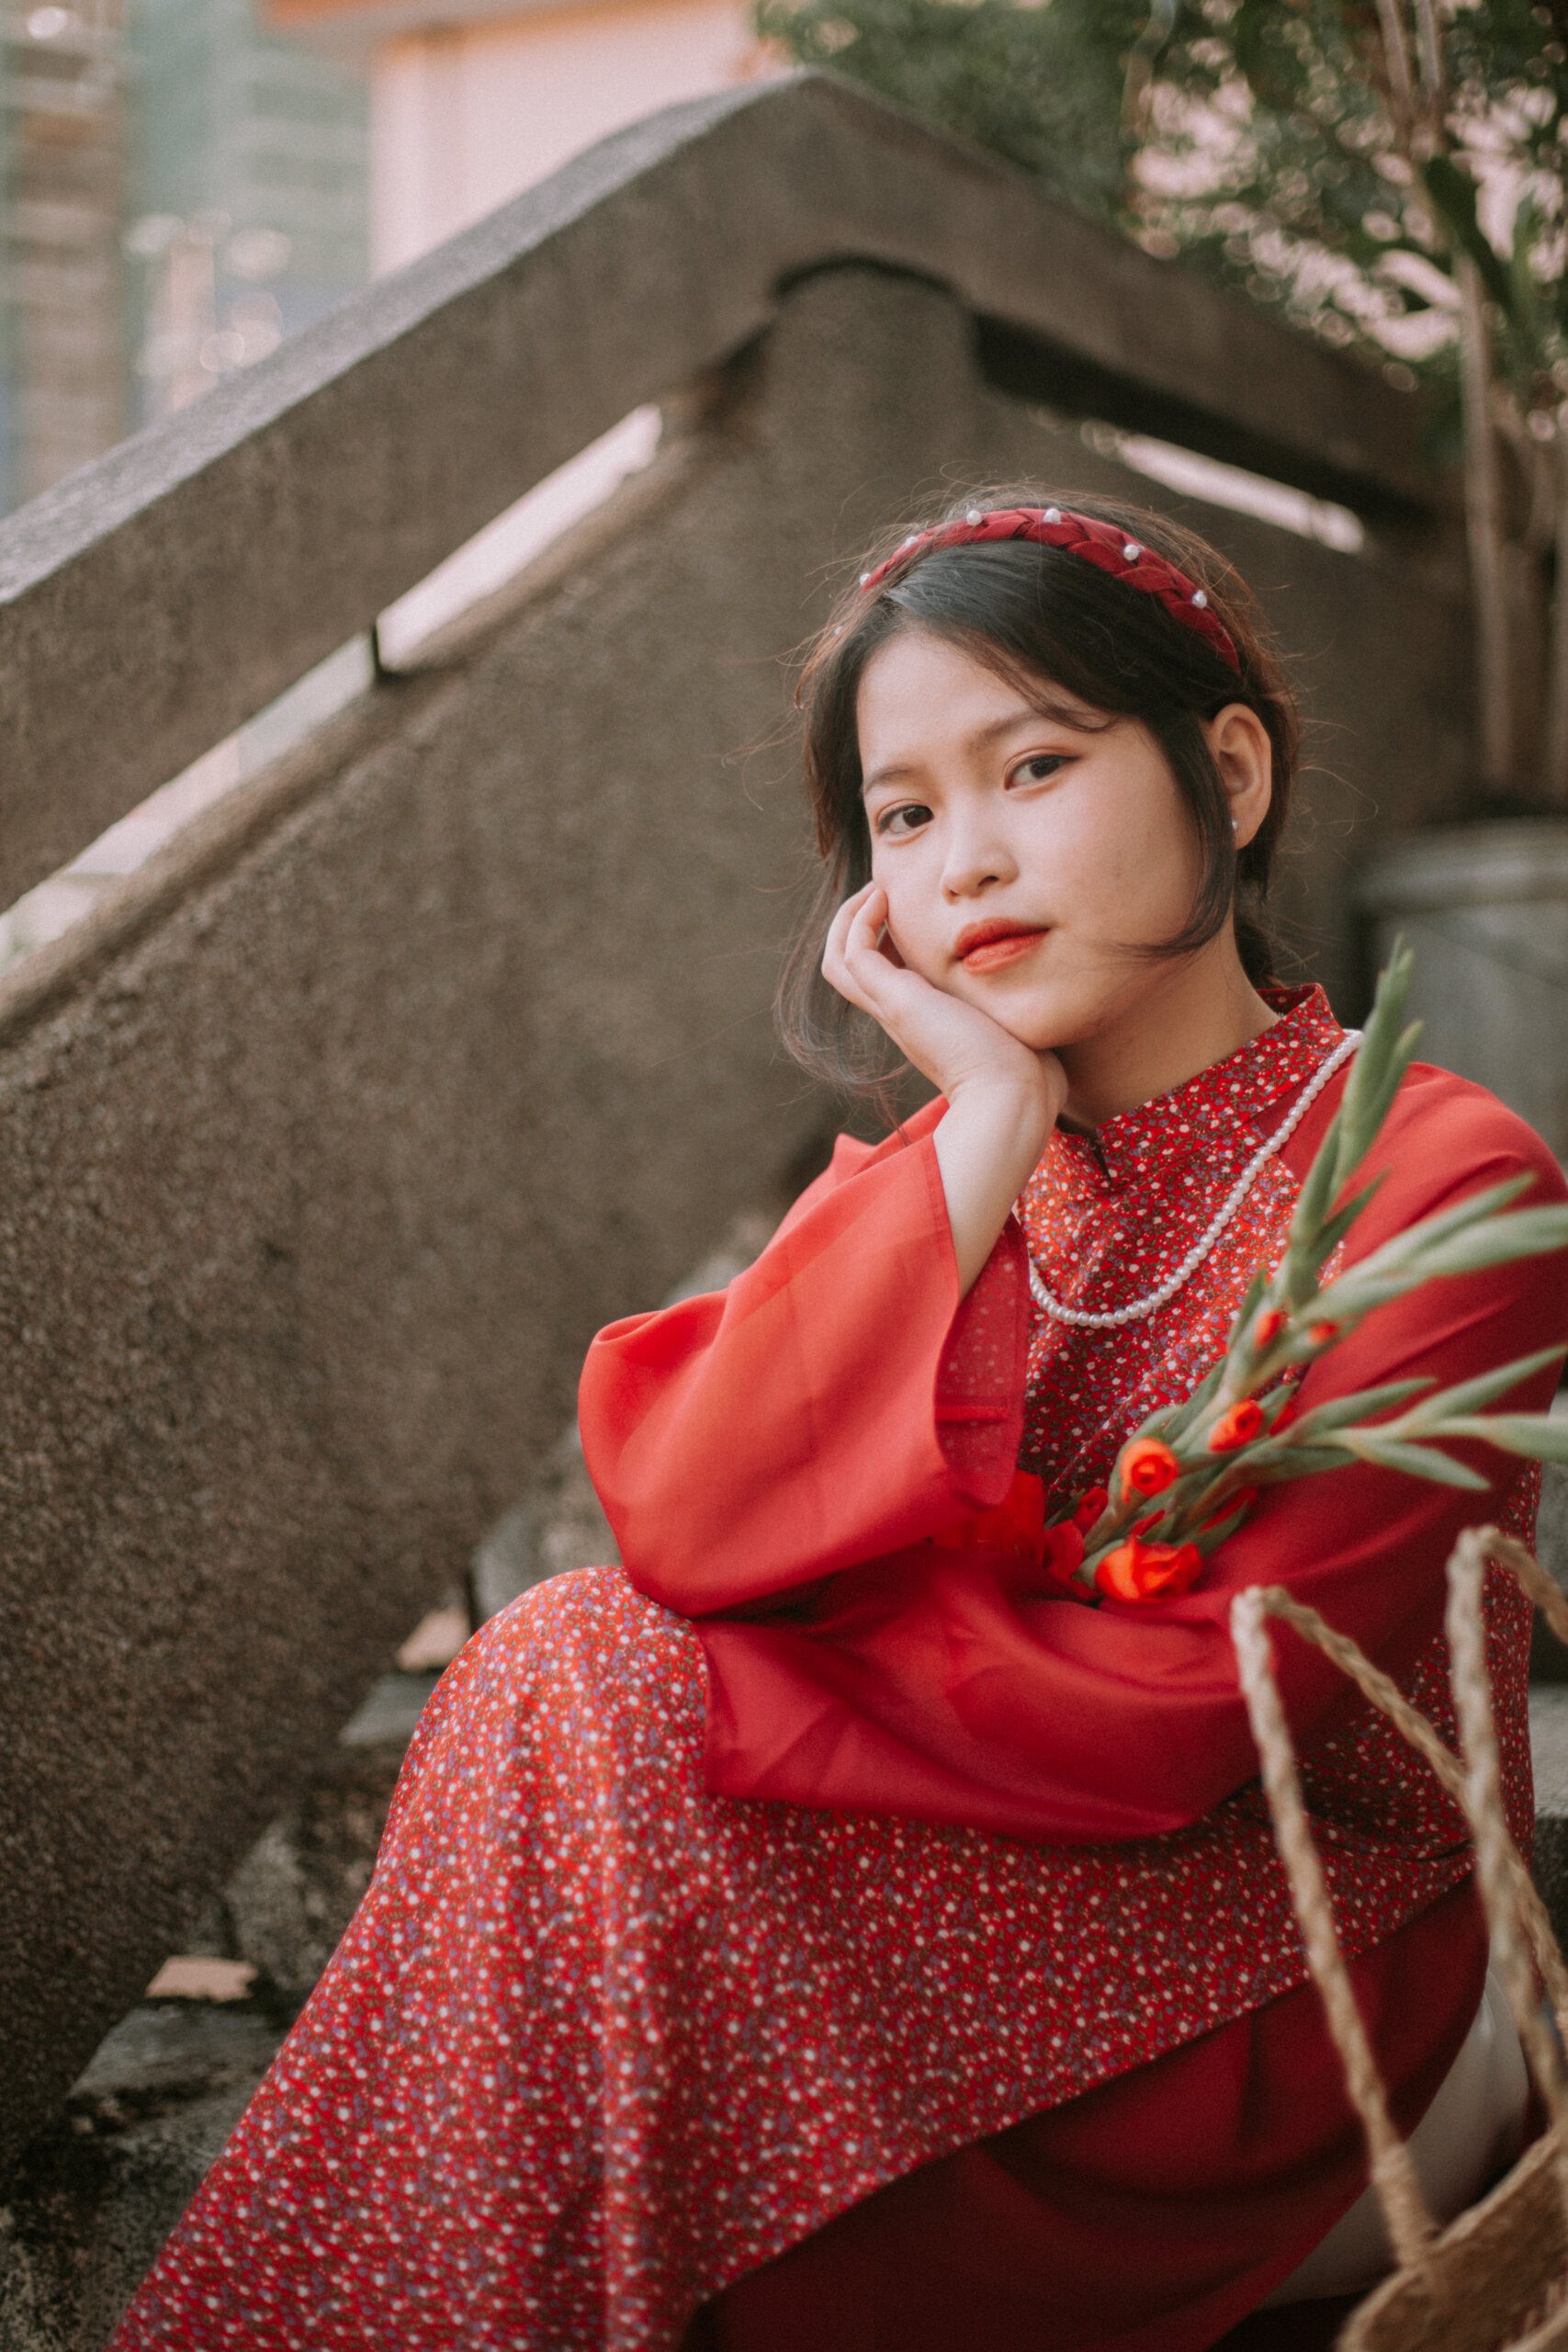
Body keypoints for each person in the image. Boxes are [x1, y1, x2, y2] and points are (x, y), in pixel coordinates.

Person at [107, 492, 1568, 2352]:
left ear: (1228, 768)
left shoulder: (1428, 1177)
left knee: (598, 1703)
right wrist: (975, 1125)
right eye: (902, 814)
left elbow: (1191, 1722)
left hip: (1310, 1981)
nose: (964, 859)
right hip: (951, 1902)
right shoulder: (946, 1171)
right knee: (572, 1675)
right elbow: (690, 1528)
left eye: (1032, 764)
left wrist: (774, 1677)